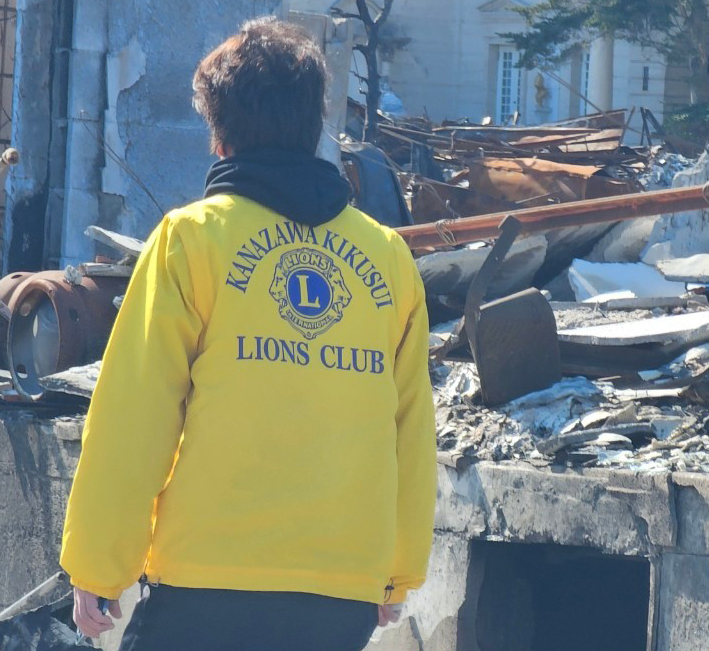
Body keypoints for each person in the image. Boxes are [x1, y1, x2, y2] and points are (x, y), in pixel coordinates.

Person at [59, 16, 437, 651]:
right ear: (315, 122)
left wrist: (100, 566)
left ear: (219, 135)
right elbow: (410, 427)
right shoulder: (388, 259)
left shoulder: (191, 241)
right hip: (341, 591)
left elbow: (135, 415)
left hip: (208, 584)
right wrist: (398, 571)